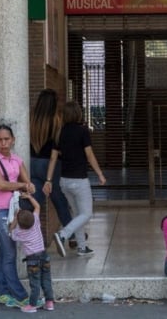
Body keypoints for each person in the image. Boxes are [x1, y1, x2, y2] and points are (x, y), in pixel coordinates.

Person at [0, 124, 34, 309]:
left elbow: (28, 184)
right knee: (10, 253)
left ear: (13, 140)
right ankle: (21, 297)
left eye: (7, 139)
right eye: (0, 139)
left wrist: (27, 186)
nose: (4, 143)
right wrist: (21, 185)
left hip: (15, 211)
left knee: (6, 252)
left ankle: (2, 294)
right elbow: (1, 185)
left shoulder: (17, 160)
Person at [46, 101, 106, 257]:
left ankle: (82, 247)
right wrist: (99, 173)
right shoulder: (82, 131)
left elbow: (53, 158)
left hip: (63, 182)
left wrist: (48, 180)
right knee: (86, 214)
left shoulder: (59, 133)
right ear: (78, 113)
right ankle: (63, 234)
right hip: (79, 180)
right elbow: (89, 155)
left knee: (78, 213)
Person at [30, 89, 81, 249]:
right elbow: (60, 146)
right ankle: (72, 235)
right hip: (51, 165)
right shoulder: (57, 121)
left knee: (34, 202)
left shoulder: (31, 120)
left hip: (32, 163)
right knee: (59, 201)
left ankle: (31, 237)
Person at [10, 193, 55, 313]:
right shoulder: (35, 221)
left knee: (35, 284)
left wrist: (15, 218)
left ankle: (32, 305)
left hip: (32, 260)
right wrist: (30, 197)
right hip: (44, 255)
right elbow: (38, 207)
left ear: (20, 223)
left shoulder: (19, 232)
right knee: (46, 280)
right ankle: (49, 303)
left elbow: (10, 231)